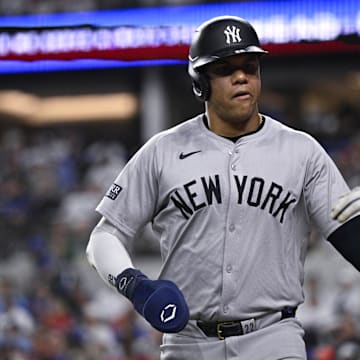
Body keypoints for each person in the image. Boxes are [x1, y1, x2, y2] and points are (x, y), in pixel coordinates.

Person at [85, 15, 360, 359]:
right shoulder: (162, 151)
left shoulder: (301, 150)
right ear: (200, 82)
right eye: (225, 69)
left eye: (250, 66)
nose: (241, 76)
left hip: (273, 337)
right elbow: (103, 237)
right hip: (188, 341)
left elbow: (353, 239)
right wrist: (136, 286)